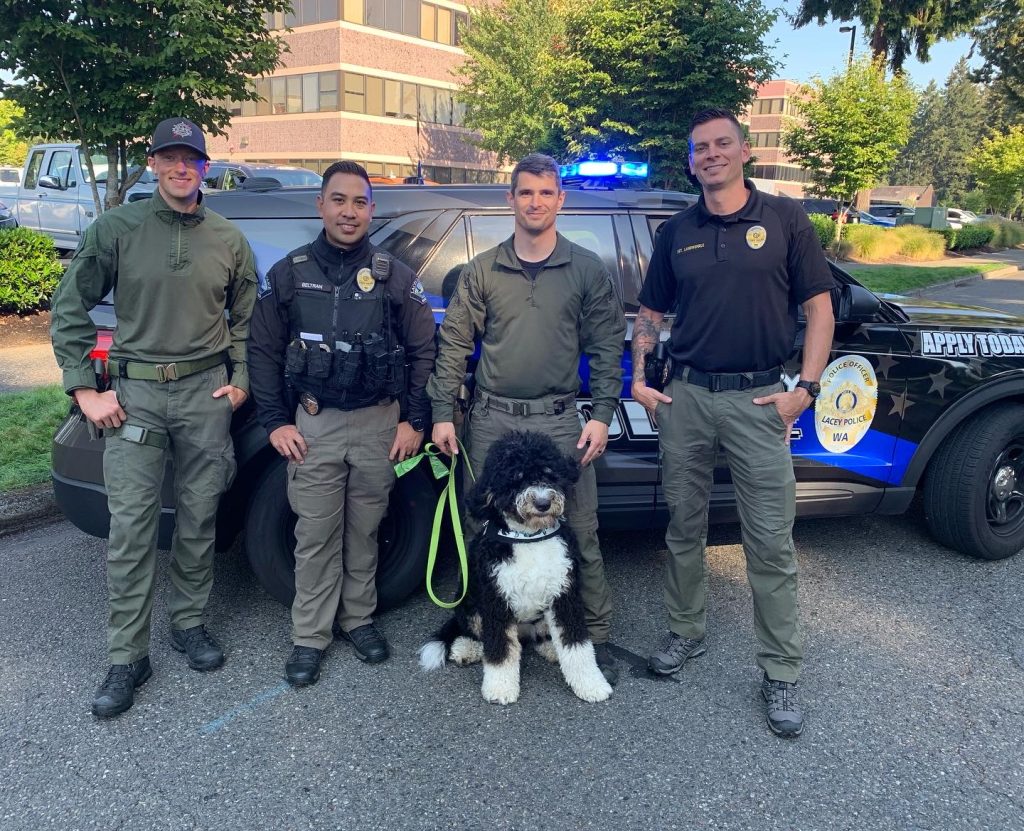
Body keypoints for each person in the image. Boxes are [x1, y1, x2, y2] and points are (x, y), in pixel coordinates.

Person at [632, 108, 835, 738]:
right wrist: (640, 378)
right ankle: (685, 632)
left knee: (770, 542)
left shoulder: (785, 220)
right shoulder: (677, 232)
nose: (712, 154)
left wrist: (805, 388)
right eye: (701, 148)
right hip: (687, 398)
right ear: (691, 161)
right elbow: (649, 311)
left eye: (723, 144)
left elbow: (819, 308)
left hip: (758, 401)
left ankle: (781, 670)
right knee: (683, 528)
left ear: (744, 152)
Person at [50, 118, 257, 718]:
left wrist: (239, 379)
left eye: (190, 158)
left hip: (205, 395)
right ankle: (126, 656)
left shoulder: (227, 238)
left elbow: (245, 319)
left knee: (199, 517)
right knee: (132, 528)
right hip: (135, 394)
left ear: (205, 166)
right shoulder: (118, 229)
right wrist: (84, 390)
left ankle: (188, 624)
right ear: (154, 162)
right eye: (169, 157)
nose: (180, 168)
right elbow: (69, 305)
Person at [428, 153, 626, 685]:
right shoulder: (483, 269)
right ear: (509, 199)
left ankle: (591, 637)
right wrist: (443, 414)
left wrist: (603, 413)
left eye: (546, 192)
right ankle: (494, 633)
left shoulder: (586, 269)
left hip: (561, 420)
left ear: (561, 199)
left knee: (579, 528)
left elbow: (608, 346)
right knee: (486, 532)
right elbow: (453, 347)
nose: (535, 202)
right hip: (492, 420)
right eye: (526, 192)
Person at [248, 160, 436, 687]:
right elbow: (261, 351)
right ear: (321, 205)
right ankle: (310, 636)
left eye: (359, 202)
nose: (349, 212)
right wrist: (273, 422)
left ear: (371, 210)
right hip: (314, 424)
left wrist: (413, 421)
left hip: (380, 423)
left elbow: (424, 351)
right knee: (314, 533)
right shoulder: (290, 271)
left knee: (366, 529)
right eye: (339, 200)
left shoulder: (394, 275)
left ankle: (358, 619)